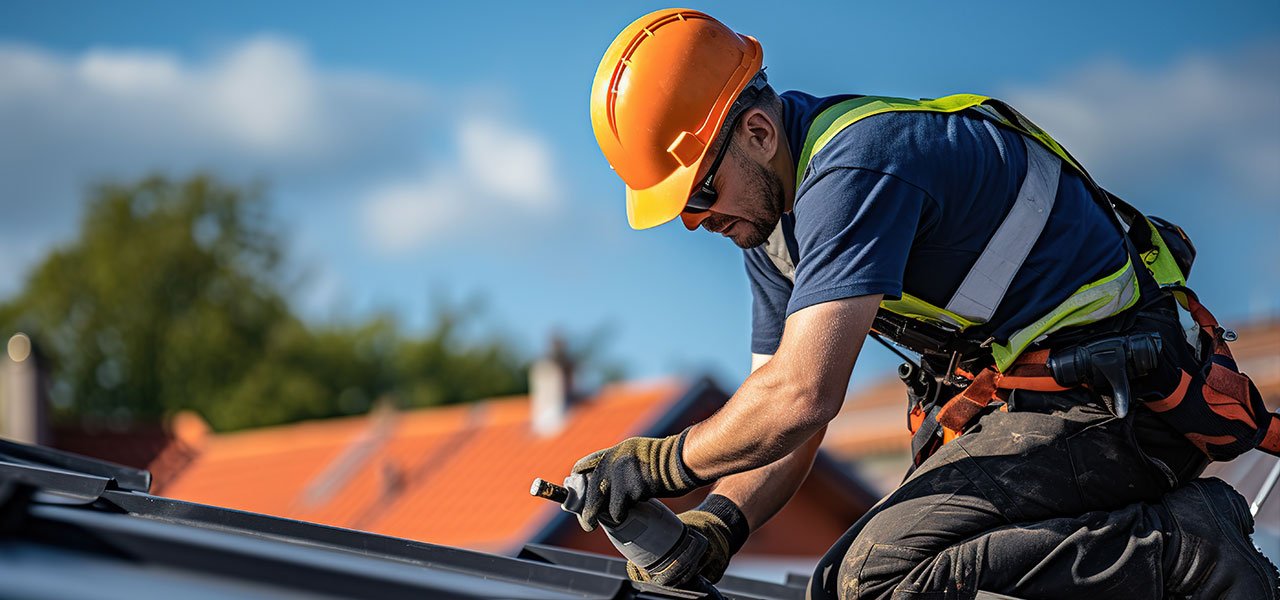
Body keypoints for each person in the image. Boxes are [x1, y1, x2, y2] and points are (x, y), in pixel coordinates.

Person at [572, 8, 1280, 599]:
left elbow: (801, 396)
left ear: (757, 134)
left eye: (700, 193)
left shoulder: (857, 169)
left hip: (1123, 401)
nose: (696, 221)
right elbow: (775, 415)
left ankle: (1186, 551)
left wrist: (656, 464)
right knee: (855, 585)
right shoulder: (770, 229)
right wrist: (721, 521)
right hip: (1039, 400)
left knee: (872, 582)